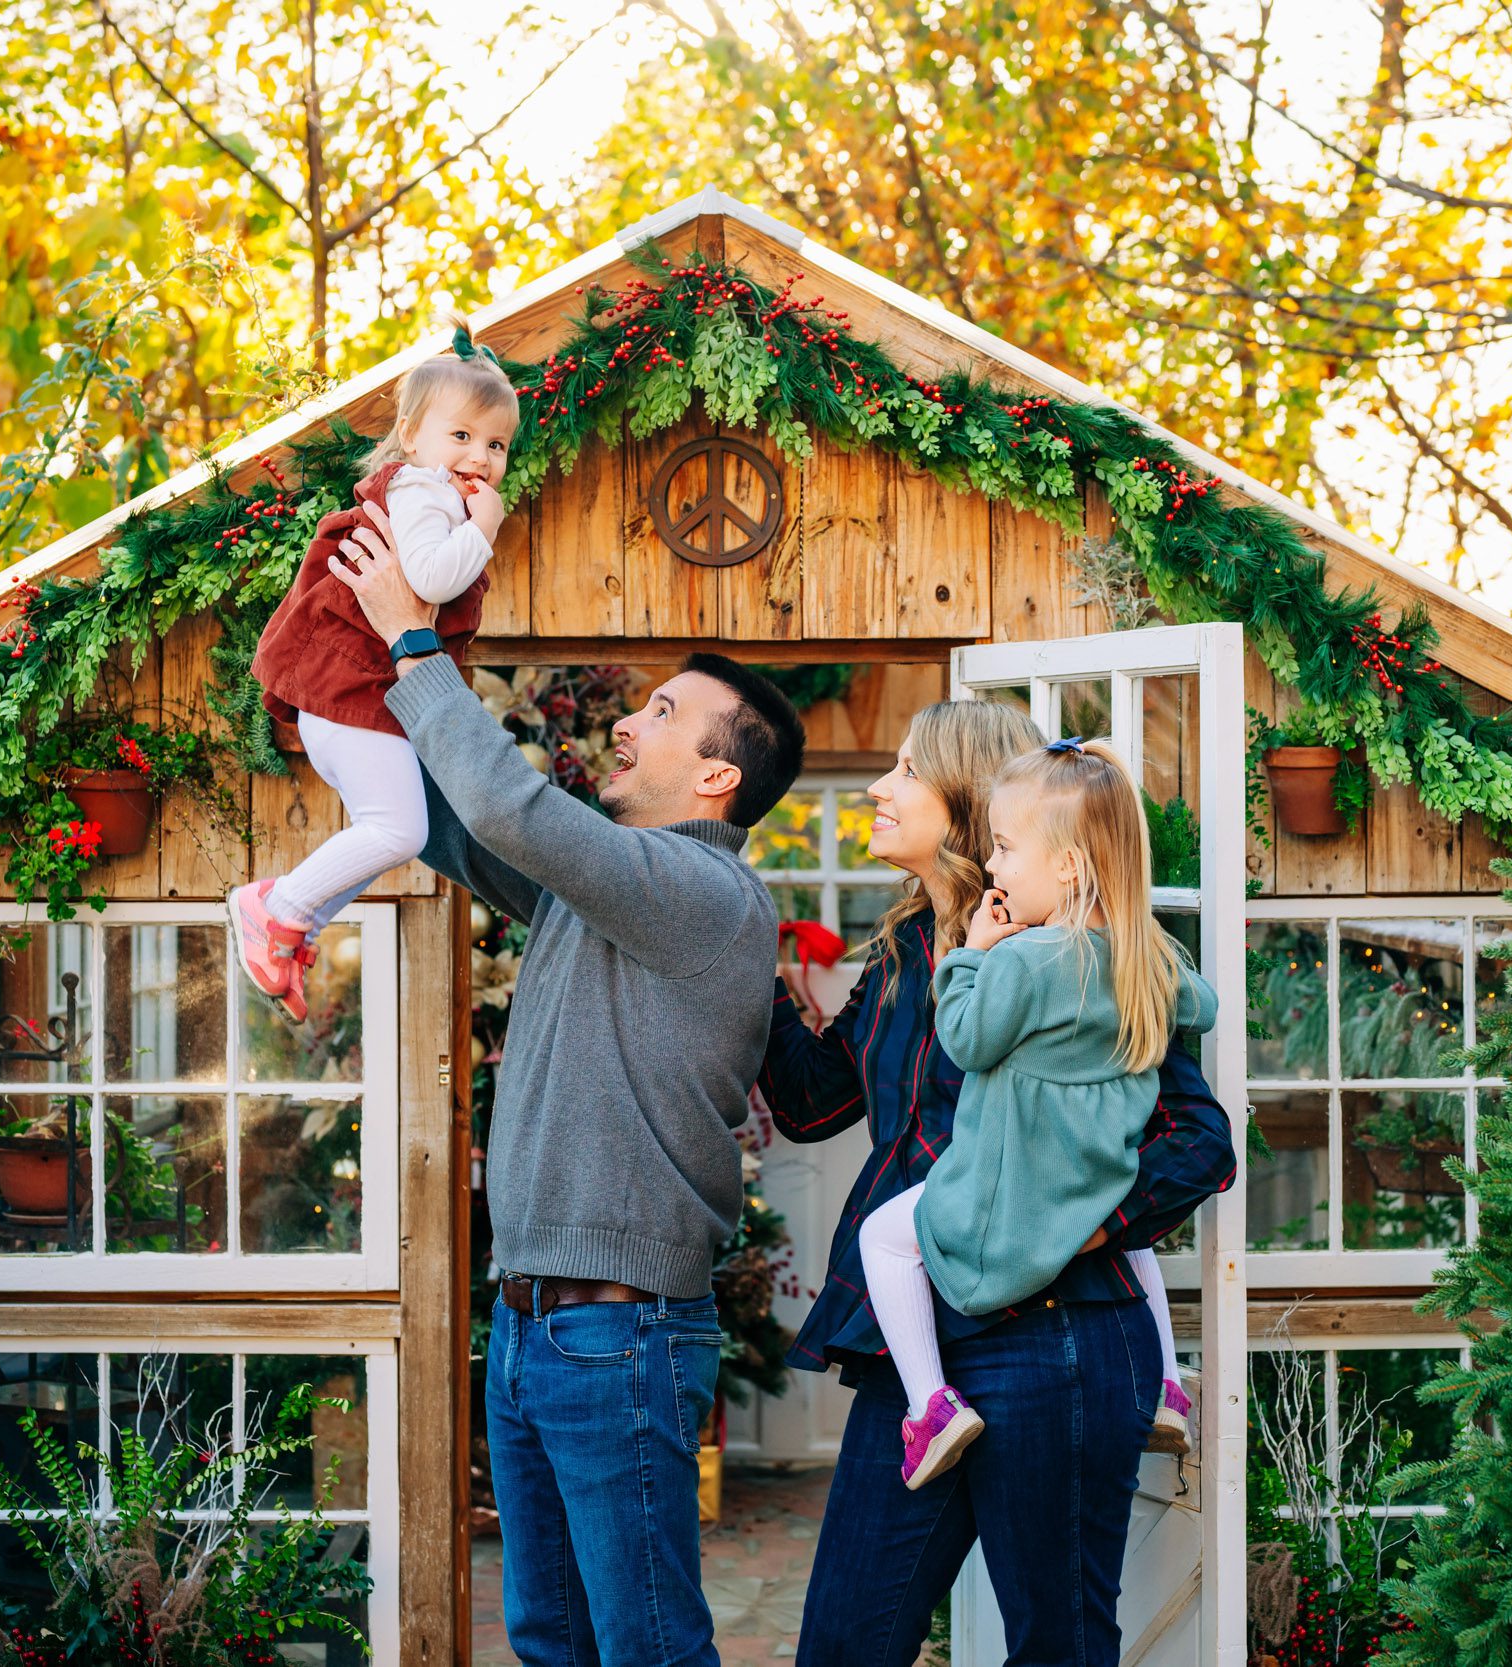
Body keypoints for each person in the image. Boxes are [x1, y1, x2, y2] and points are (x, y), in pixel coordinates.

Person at [327, 504, 806, 1667]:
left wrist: (413, 643)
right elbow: (450, 818)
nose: (630, 720)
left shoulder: (705, 898)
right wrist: (349, 668)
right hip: (535, 1323)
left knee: (643, 1647)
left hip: (621, 1332)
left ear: (715, 774)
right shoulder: (601, 890)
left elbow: (508, 806)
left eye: (661, 710)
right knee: (550, 1640)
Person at [756, 701, 1236, 1667]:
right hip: (920, 1353)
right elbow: (811, 1104)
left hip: (1051, 1339)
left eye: (904, 770)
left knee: (1055, 1646)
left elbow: (1198, 1141)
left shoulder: (1083, 959)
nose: (878, 791)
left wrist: (1070, 1229)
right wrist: (743, 958)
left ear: (968, 800)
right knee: (847, 1644)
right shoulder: (902, 956)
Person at [858, 736, 1216, 1489]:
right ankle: (1167, 1382)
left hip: (1010, 1185)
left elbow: (966, 1039)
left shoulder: (1022, 959)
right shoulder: (1145, 958)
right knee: (1133, 1245)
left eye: (1006, 848)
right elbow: (1203, 1007)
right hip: (1098, 1175)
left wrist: (971, 955)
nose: (992, 866)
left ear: (1069, 867)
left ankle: (930, 1404)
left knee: (884, 1237)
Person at [230, 349, 520, 1021]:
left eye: (497, 443)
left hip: (356, 699)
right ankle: (276, 909)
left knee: (390, 827)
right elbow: (428, 578)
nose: (480, 456)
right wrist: (484, 527)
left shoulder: (434, 492)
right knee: (399, 828)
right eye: (462, 435)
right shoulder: (423, 490)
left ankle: (291, 925)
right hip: (349, 692)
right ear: (412, 433)